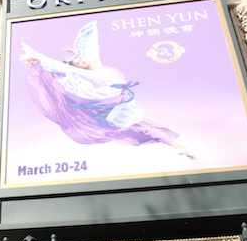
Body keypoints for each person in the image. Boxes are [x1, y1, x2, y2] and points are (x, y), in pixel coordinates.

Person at [20, 20, 195, 158]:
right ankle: (178, 146)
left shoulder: (97, 64)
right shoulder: (89, 74)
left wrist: (75, 52)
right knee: (138, 127)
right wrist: (38, 58)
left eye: (81, 59)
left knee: (145, 126)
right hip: (110, 96)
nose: (82, 61)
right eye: (79, 63)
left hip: (122, 97)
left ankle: (180, 147)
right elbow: (66, 68)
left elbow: (90, 51)